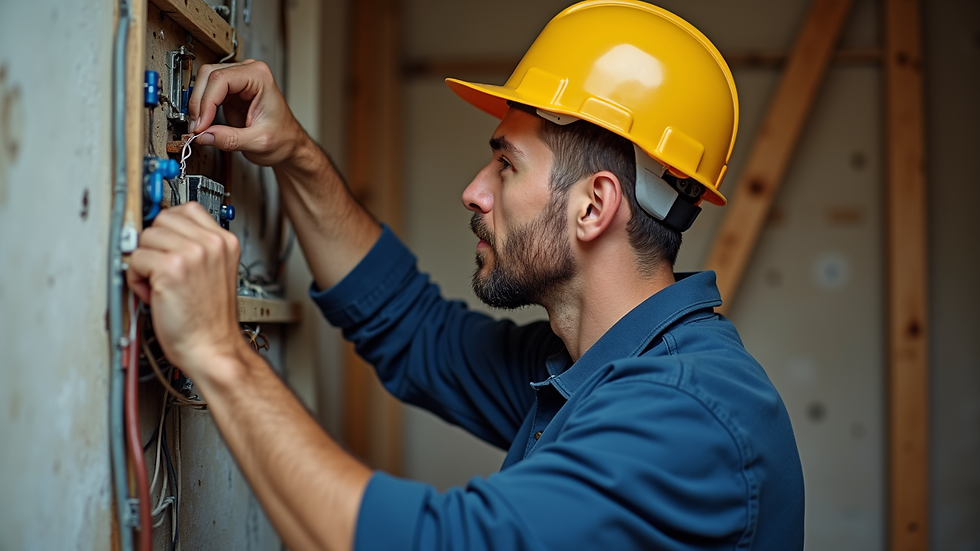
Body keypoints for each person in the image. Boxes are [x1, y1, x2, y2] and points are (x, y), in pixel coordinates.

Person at [126, 1, 805, 550]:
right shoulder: (592, 365)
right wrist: (296, 154)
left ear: (594, 206)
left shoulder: (687, 416)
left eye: (505, 164)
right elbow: (414, 330)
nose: (474, 191)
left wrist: (218, 352)